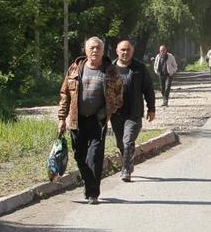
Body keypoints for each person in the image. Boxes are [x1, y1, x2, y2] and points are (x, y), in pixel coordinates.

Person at [57, 37, 123, 205]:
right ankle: (89, 184)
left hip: (97, 121)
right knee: (79, 156)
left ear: (103, 50)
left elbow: (118, 97)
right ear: (85, 51)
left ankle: (93, 193)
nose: (95, 51)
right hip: (76, 120)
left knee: (94, 156)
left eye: (98, 48)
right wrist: (61, 119)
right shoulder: (74, 68)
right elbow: (64, 94)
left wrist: (106, 112)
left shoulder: (111, 71)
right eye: (92, 48)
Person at [111, 40, 155, 182]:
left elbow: (148, 88)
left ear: (132, 51)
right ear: (117, 51)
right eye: (122, 50)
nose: (125, 52)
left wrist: (151, 108)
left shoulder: (139, 68)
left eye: (128, 49)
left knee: (128, 140)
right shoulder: (110, 68)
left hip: (134, 112)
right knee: (120, 143)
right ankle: (129, 163)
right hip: (116, 113)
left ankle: (125, 170)